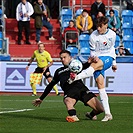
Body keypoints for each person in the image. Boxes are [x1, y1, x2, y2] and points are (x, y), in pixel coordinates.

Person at [32, 50, 104, 122]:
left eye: (64, 57)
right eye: (61, 58)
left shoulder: (76, 66)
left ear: (70, 58)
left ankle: (90, 115)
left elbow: (84, 66)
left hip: (82, 89)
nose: (62, 60)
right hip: (69, 92)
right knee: (68, 100)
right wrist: (41, 98)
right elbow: (50, 85)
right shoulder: (59, 71)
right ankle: (73, 116)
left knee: (101, 109)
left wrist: (89, 62)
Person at [68, 16, 117, 121]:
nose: (98, 29)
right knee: (101, 87)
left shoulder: (112, 34)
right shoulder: (93, 36)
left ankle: (76, 77)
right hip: (98, 60)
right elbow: (93, 51)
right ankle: (108, 114)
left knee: (93, 66)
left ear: (106, 25)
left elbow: (112, 48)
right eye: (97, 26)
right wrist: (94, 57)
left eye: (100, 26)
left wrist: (114, 62)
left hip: (108, 57)